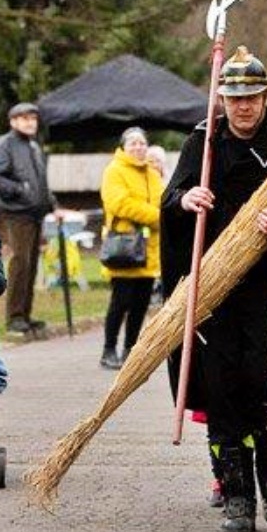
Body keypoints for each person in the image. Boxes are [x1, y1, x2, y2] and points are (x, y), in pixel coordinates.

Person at [161, 46, 267, 532]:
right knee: (222, 392)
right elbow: (170, 199)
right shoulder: (203, 142)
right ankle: (236, 495)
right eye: (234, 98)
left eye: (252, 98)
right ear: (222, 98)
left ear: (266, 97)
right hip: (215, 292)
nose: (243, 107)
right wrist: (185, 200)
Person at [0, 102, 55, 334]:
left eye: (33, 118)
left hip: (36, 213)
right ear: (13, 121)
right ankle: (14, 317)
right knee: (20, 263)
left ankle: (25, 314)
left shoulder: (34, 145)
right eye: (24, 118)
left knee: (32, 265)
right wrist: (19, 190)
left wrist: (51, 203)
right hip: (16, 213)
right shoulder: (5, 144)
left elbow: (40, 181)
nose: (30, 122)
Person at [98, 127, 163, 370]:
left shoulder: (152, 174)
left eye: (142, 143)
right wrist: (156, 217)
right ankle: (108, 349)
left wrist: (160, 216)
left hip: (148, 250)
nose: (138, 147)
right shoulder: (114, 171)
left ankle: (130, 350)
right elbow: (119, 203)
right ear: (124, 147)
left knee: (141, 304)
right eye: (133, 143)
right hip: (124, 248)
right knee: (120, 301)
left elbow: (162, 200)